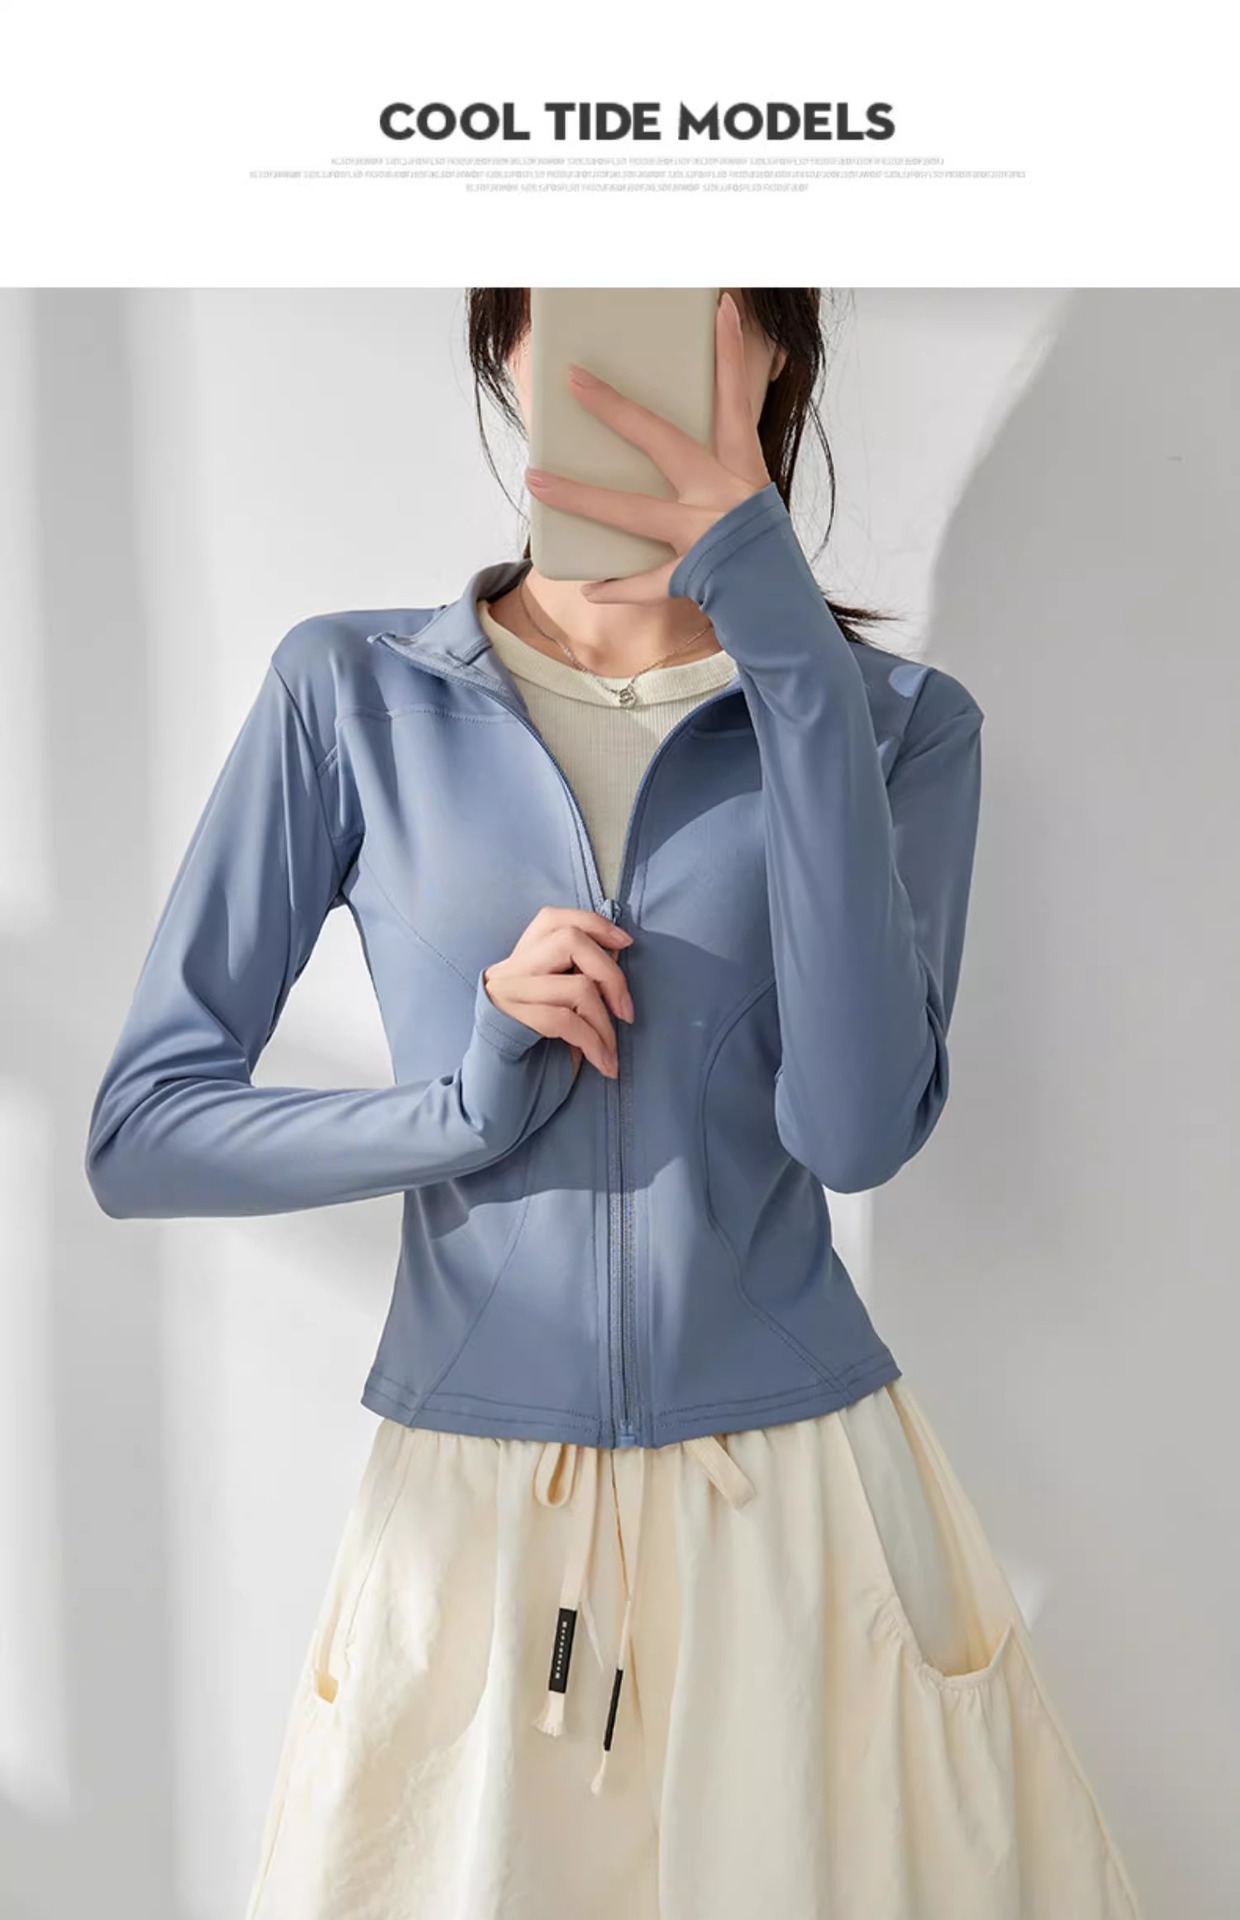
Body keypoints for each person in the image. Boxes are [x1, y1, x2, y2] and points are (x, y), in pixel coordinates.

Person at [84, 289, 1144, 1919]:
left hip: (795, 1513)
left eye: (681, 299)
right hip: (475, 1523)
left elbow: (856, 1132)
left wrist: (790, 659)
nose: (615, 345)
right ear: (502, 349)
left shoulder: (895, 726)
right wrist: (457, 1108)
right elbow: (143, 1133)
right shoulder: (349, 693)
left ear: (774, 347)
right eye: (567, 300)